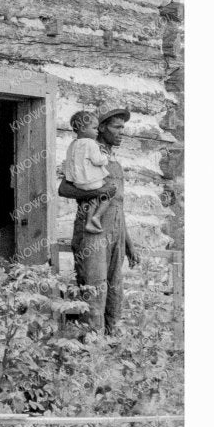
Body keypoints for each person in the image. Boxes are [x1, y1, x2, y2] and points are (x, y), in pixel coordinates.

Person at [58, 107, 137, 337]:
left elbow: (118, 205)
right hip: (93, 231)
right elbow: (63, 188)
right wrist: (100, 190)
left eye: (123, 127)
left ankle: (112, 344)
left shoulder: (114, 163)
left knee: (114, 288)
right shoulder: (85, 151)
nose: (122, 132)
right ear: (101, 128)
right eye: (117, 127)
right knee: (94, 287)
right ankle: (92, 346)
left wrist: (129, 244)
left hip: (116, 232)